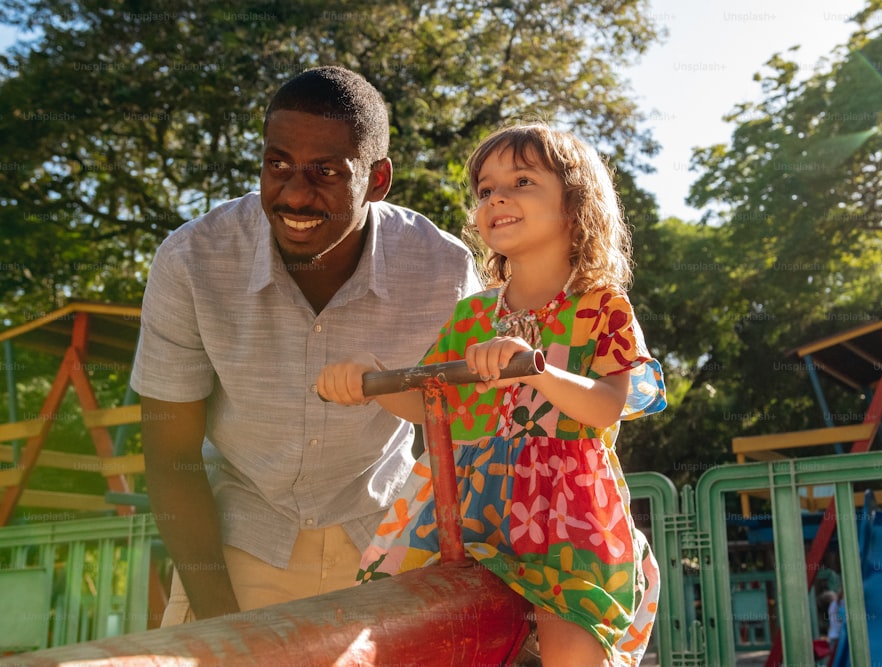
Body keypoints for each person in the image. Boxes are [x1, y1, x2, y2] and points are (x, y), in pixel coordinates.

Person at [130, 65, 481, 626]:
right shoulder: (192, 259)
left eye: (325, 172)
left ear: (378, 179)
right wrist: (224, 625)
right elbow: (170, 457)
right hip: (234, 547)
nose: (295, 193)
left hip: (391, 546)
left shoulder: (444, 270)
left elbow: (477, 430)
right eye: (278, 166)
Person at [318, 124, 667, 666]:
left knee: (573, 648)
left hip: (563, 512)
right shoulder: (473, 314)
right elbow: (430, 404)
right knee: (419, 633)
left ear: (575, 207)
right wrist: (372, 380)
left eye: (522, 181)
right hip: (469, 507)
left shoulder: (601, 306)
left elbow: (606, 406)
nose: (497, 197)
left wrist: (532, 371)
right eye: (485, 190)